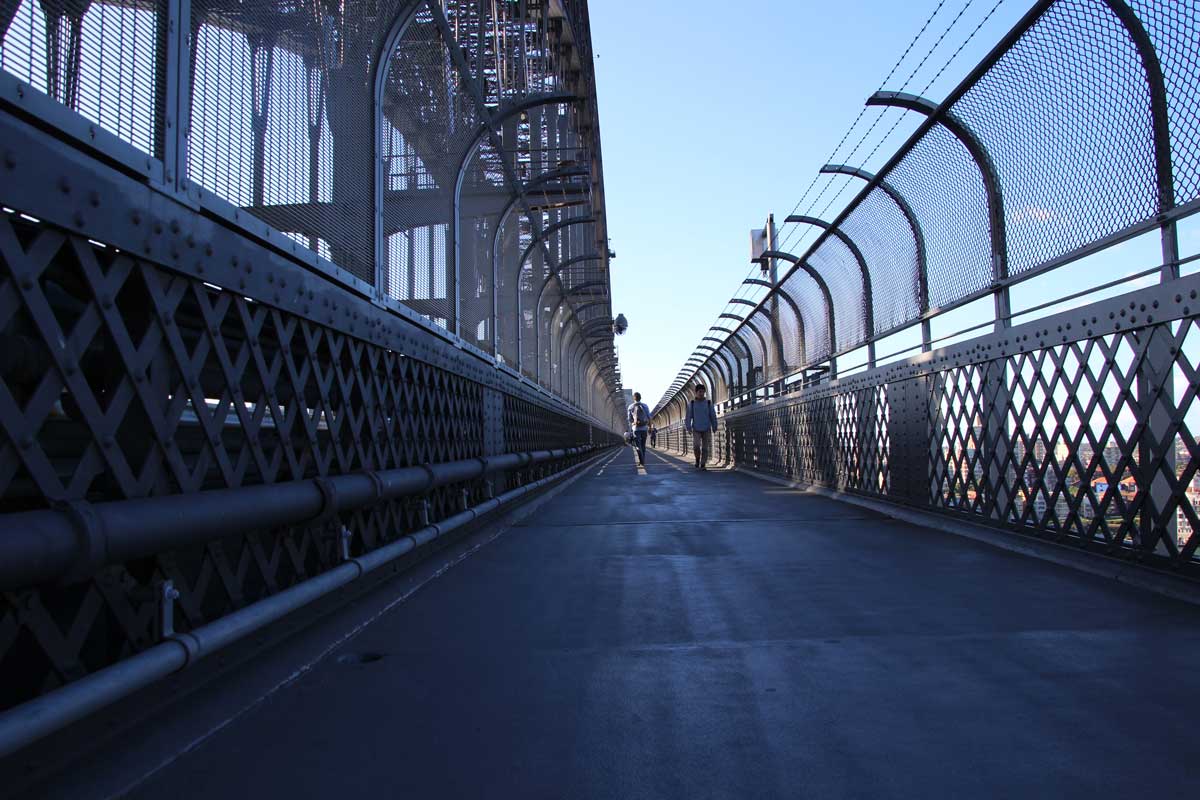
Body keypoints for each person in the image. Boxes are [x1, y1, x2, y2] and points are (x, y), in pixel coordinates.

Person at [685, 384, 718, 470]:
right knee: (696, 446)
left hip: (706, 428)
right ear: (696, 392)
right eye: (700, 392)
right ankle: (697, 459)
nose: (701, 393)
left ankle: (703, 464)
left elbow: (713, 415)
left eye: (703, 392)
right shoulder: (692, 404)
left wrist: (714, 426)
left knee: (705, 447)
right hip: (696, 428)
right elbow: (688, 417)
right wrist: (688, 427)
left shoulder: (708, 403)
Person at [627, 392, 651, 466]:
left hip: (636, 429)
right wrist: (650, 427)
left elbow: (629, 419)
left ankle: (641, 461)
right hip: (644, 428)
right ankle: (643, 459)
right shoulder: (645, 406)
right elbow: (649, 417)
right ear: (640, 398)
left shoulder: (630, 407)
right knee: (643, 445)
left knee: (638, 445)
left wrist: (634, 423)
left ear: (634, 398)